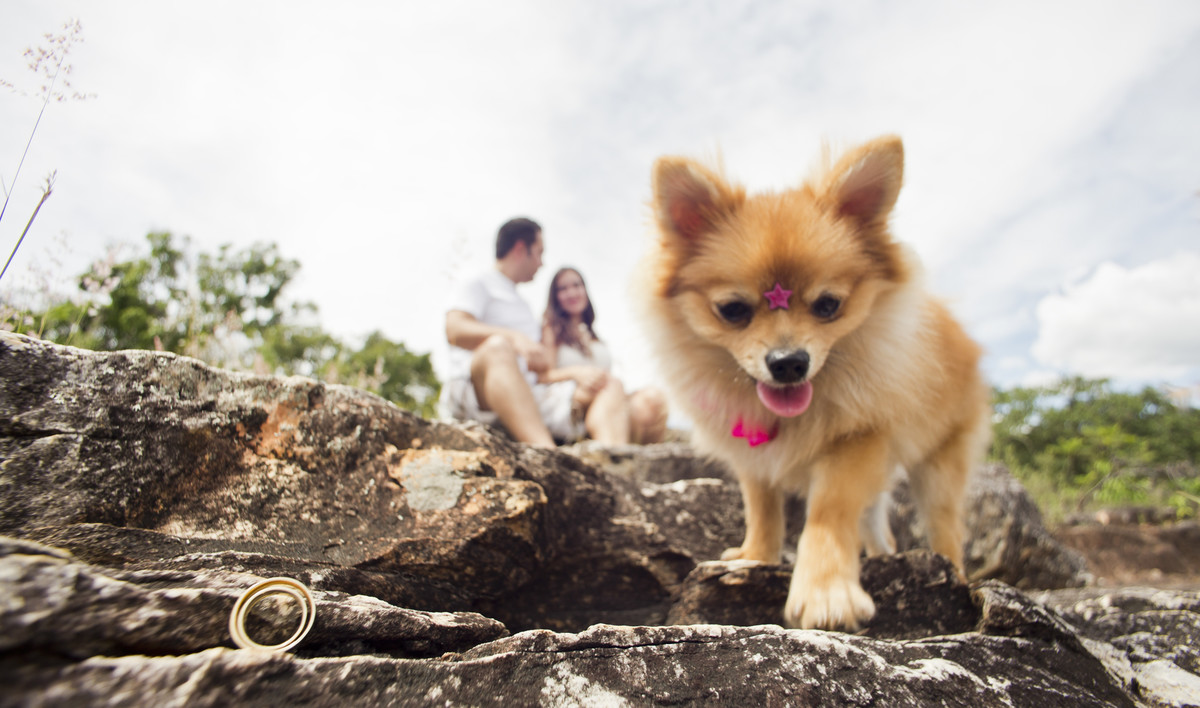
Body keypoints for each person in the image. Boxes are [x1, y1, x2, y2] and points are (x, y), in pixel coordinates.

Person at [440, 217, 581, 448]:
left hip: (528, 394)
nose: (542, 263)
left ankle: (615, 460)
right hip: (477, 391)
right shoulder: (477, 280)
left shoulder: (523, 304)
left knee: (602, 385)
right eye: (539, 252)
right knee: (497, 347)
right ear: (520, 249)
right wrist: (513, 337)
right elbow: (454, 329)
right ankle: (547, 454)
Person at [540, 266, 668, 445]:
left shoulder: (594, 336)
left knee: (653, 398)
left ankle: (648, 462)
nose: (571, 292)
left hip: (606, 394)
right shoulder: (551, 329)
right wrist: (577, 373)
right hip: (570, 398)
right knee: (611, 385)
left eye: (577, 285)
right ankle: (614, 451)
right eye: (563, 288)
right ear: (555, 297)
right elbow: (544, 375)